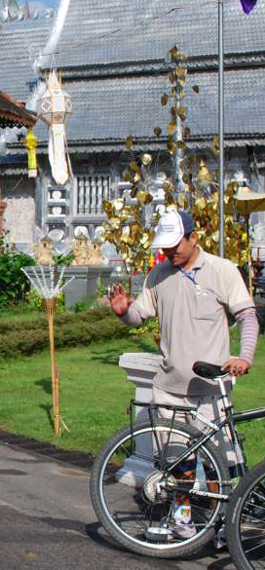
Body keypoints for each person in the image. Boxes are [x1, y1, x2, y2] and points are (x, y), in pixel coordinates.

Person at [108, 210, 257, 538]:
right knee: (177, 462)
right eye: (165, 248)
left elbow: (247, 316)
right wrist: (123, 312)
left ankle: (222, 524)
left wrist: (244, 357)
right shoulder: (159, 275)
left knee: (222, 460)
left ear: (193, 237)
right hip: (169, 386)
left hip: (209, 388)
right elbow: (139, 315)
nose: (170, 252)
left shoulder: (222, 271)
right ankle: (183, 518)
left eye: (176, 245)